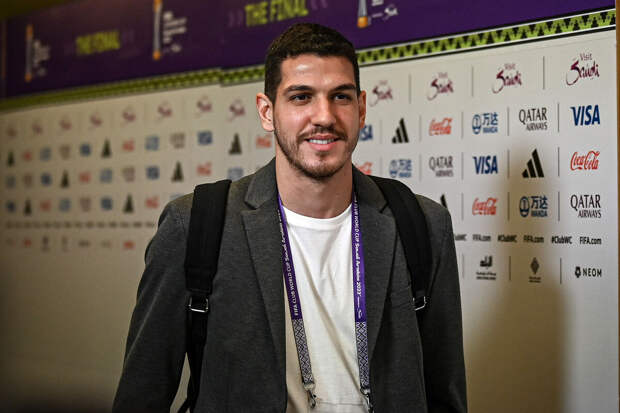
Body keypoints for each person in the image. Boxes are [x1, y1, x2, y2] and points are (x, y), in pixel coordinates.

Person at [113, 23, 467, 412]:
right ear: (267, 112)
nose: (324, 116)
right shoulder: (194, 225)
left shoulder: (423, 224)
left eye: (341, 96)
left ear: (361, 108)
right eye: (301, 97)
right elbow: (142, 393)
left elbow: (445, 393)